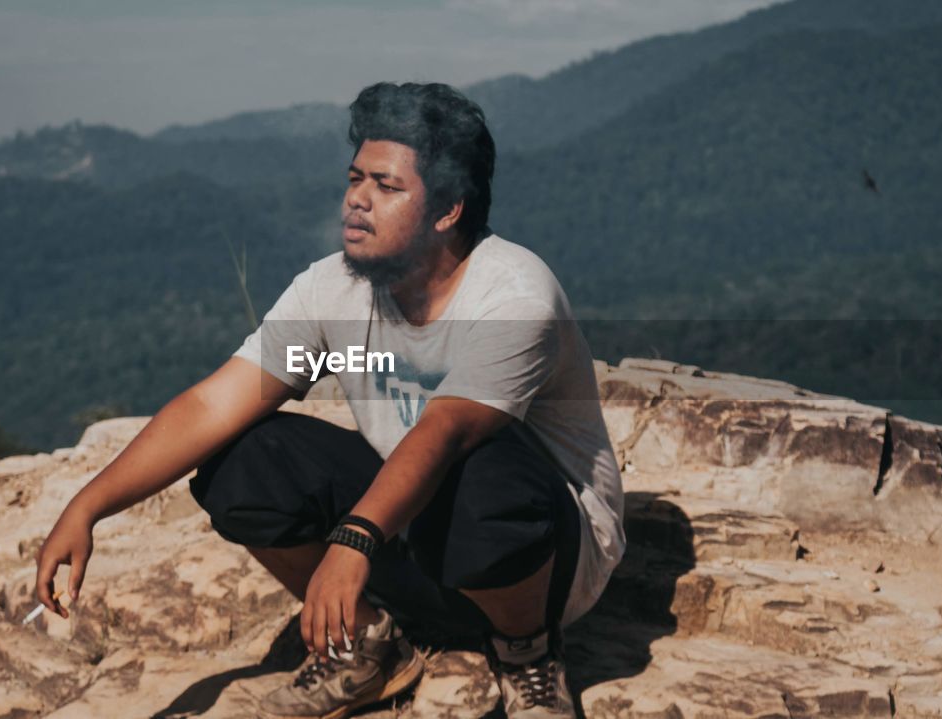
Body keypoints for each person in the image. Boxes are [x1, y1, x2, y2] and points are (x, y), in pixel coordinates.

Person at [35, 81, 625, 719]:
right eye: (355, 178)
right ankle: (369, 645)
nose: (357, 200)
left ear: (449, 209)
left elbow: (448, 430)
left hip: (539, 563)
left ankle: (526, 654)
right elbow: (213, 406)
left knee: (479, 465)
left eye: (386, 187)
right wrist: (88, 506)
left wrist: (352, 542)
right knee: (244, 457)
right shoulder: (334, 288)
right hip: (408, 540)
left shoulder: (513, 297)